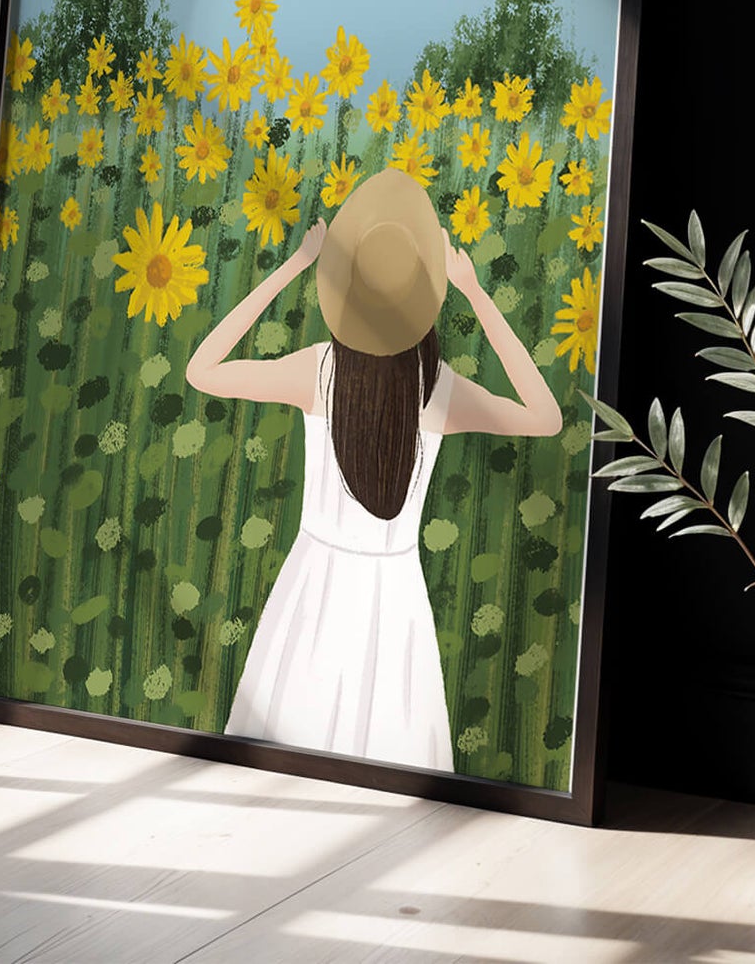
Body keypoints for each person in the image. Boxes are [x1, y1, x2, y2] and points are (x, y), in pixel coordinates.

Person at [185, 167, 562, 772]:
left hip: (312, 585)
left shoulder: (317, 371)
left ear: (345, 294)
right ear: (425, 298)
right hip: (396, 599)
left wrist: (293, 266)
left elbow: (202, 369)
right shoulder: (436, 391)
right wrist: (476, 292)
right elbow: (545, 417)